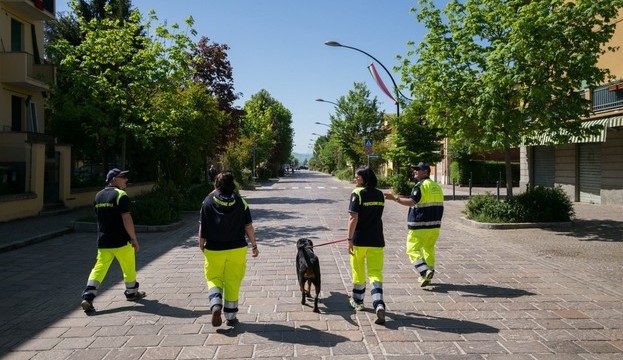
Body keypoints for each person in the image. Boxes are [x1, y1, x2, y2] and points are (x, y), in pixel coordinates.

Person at [198, 171, 259, 327]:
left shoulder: (207, 202)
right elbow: (248, 227)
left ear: (216, 185)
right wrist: (254, 245)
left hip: (214, 248)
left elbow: (202, 227)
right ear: (233, 185)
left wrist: (201, 244)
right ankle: (231, 316)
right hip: (237, 248)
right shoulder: (240, 202)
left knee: (213, 278)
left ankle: (216, 304)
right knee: (233, 281)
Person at [81, 168, 145, 313]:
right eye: (123, 177)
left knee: (99, 269)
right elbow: (126, 218)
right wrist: (133, 238)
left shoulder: (98, 196)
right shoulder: (121, 195)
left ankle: (88, 296)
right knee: (128, 266)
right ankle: (131, 292)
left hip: (104, 241)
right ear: (114, 180)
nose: (126, 179)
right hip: (121, 241)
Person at [384, 162, 444, 287]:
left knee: (412, 249)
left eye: (418, 169)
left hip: (419, 225)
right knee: (429, 249)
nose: (415, 171)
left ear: (426, 172)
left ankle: (424, 271)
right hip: (435, 226)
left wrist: (394, 198)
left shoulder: (420, 186)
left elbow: (412, 202)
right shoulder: (436, 186)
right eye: (415, 169)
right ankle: (429, 273)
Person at [347, 167, 386, 325]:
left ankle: (358, 301)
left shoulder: (357, 193)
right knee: (375, 273)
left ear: (364, 178)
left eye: (357, 177)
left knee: (358, 270)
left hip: (360, 240)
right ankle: (379, 304)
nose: (355, 179)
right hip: (377, 240)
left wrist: (349, 238)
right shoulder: (380, 194)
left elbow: (353, 218)